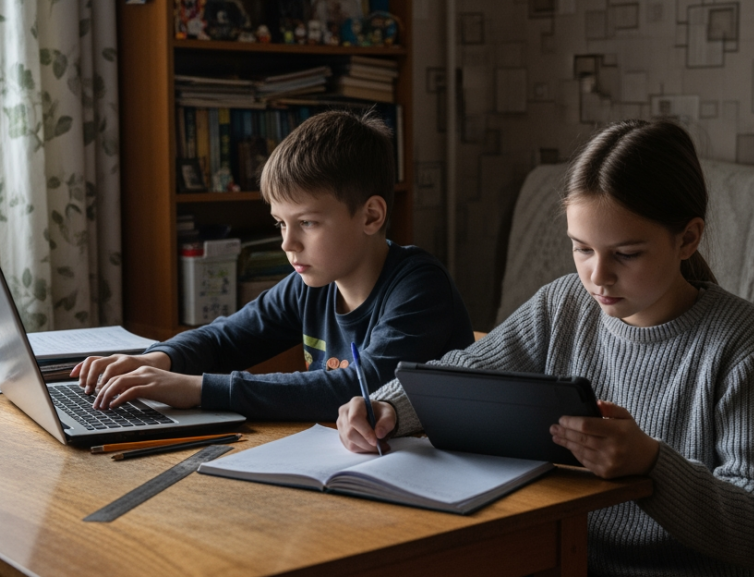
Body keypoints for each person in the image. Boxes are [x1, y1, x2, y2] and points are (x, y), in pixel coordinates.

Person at [337, 120, 754, 575]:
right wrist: (387, 407)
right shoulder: (563, 304)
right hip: (569, 559)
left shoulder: (743, 340)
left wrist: (651, 463)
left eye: (627, 254)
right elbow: (467, 371)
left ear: (688, 238)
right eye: (582, 249)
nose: (598, 276)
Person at [73, 111, 474, 420]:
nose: (287, 243)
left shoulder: (420, 287)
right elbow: (225, 338)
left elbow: (362, 387)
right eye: (281, 223)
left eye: (307, 223)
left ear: (371, 216)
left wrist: (197, 390)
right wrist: (158, 360)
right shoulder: (311, 284)